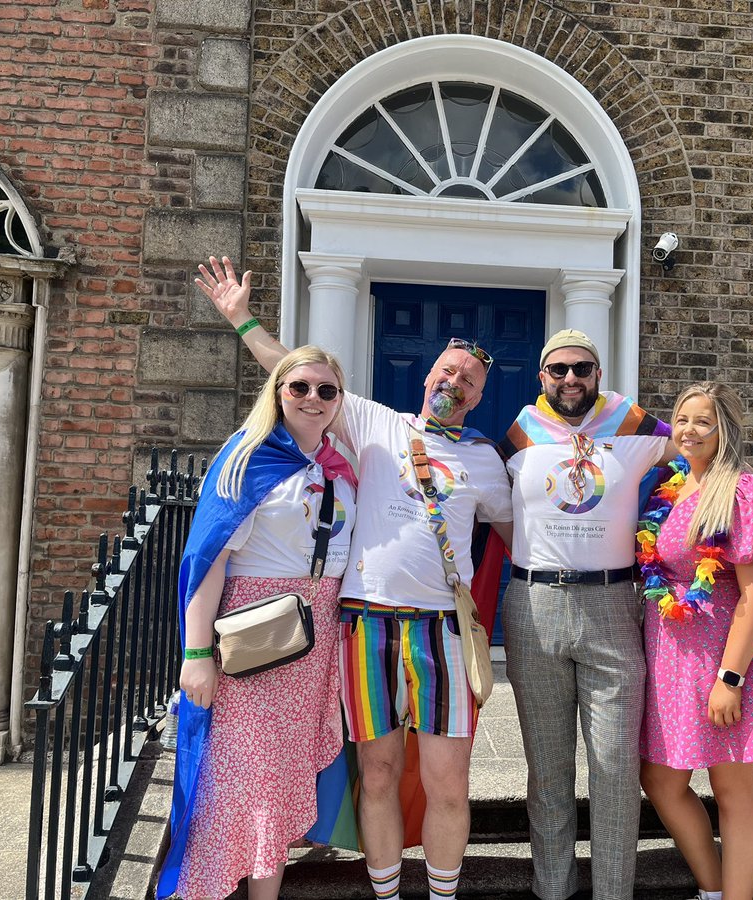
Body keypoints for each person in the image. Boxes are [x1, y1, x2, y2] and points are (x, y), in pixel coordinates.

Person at [198, 256, 514, 900]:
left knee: (449, 782)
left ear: (479, 397)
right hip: (365, 625)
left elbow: (524, 538)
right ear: (428, 376)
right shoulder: (375, 422)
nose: (455, 382)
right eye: (448, 371)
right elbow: (297, 375)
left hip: (444, 632)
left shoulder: (484, 460)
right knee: (378, 772)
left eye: (470, 380)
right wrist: (242, 320)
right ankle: (386, 893)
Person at [158, 345, 359, 900]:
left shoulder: (341, 466)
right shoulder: (247, 458)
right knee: (238, 779)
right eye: (299, 387)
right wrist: (196, 654)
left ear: (339, 400)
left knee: (279, 781)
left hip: (316, 643)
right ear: (277, 392)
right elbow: (208, 560)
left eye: (326, 390)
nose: (313, 398)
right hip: (258, 636)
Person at [497, 329, 673, 900]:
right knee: (548, 770)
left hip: (612, 606)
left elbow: (700, 447)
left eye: (582, 368)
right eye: (558, 369)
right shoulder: (521, 433)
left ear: (598, 374)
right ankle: (553, 889)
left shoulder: (631, 426)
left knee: (616, 768)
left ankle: (612, 893)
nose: (570, 378)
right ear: (542, 376)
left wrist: (742, 496)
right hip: (535, 606)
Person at [636, 382, 753, 900]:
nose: (689, 430)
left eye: (703, 421)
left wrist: (730, 678)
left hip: (725, 653)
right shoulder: (671, 487)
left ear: (726, 430)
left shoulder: (743, 493)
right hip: (673, 657)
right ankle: (714, 888)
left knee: (733, 788)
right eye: (682, 419)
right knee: (661, 781)